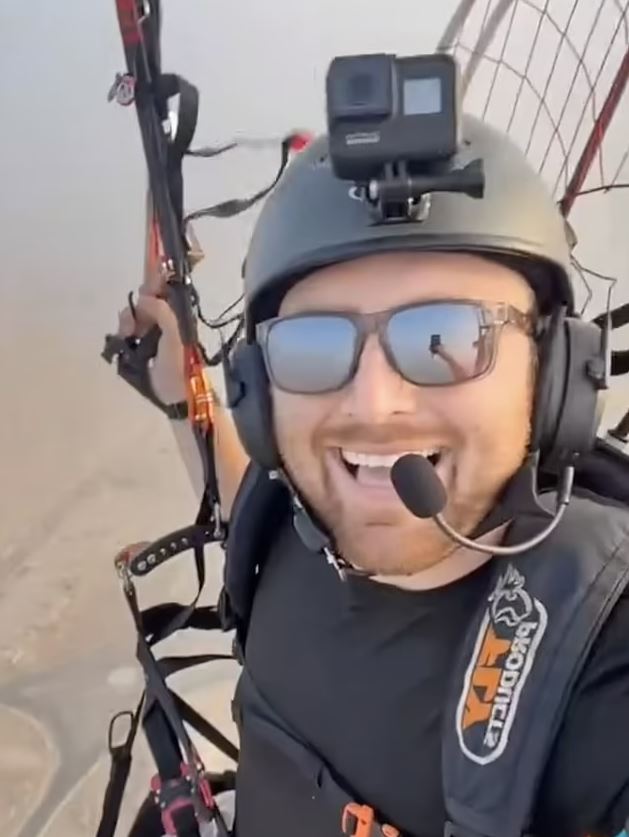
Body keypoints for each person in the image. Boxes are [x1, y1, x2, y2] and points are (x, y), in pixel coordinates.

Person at [116, 114, 629, 837]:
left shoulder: (601, 663)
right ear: (260, 398)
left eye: (444, 337)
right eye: (313, 345)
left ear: (554, 380)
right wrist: (180, 392)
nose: (373, 405)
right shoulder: (289, 527)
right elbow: (246, 507)